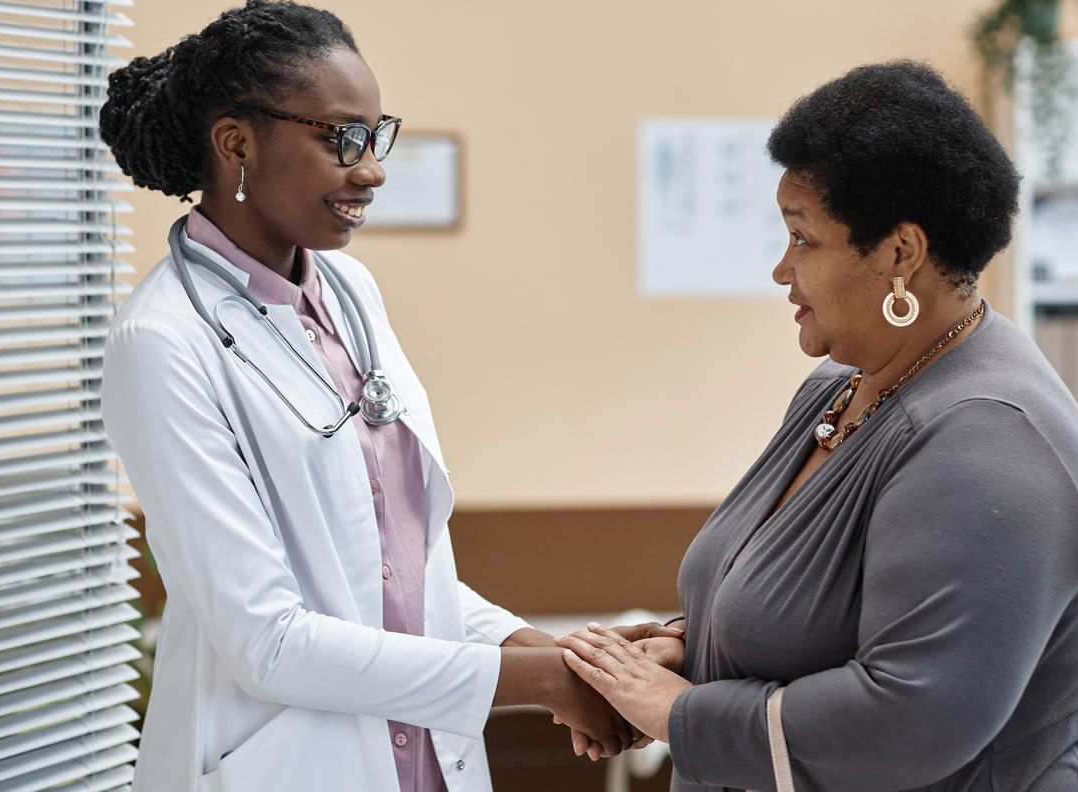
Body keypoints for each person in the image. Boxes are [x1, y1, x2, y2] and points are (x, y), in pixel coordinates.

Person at [97, 3, 673, 790]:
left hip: (425, 759)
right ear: (237, 142)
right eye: (340, 138)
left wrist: (560, 655)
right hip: (287, 765)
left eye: (375, 135)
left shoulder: (351, 292)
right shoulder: (164, 341)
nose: (370, 169)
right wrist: (541, 683)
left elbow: (399, 577)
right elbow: (266, 639)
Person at [558, 61, 1078, 792]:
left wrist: (684, 715)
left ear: (901, 253)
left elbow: (910, 717)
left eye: (803, 239)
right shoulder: (838, 389)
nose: (781, 270)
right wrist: (685, 653)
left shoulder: (991, 439)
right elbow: (814, 615)